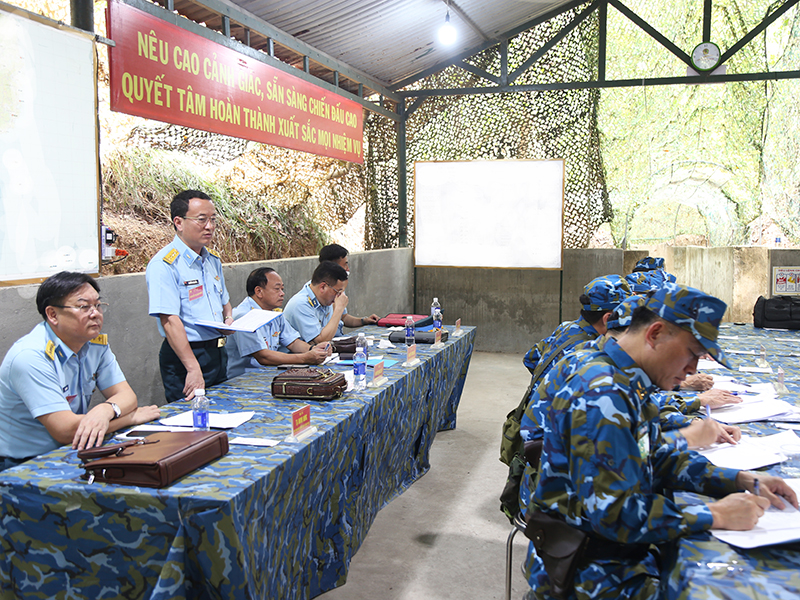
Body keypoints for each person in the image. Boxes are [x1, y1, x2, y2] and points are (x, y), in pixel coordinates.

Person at [521, 283, 798, 600]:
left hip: (613, 554)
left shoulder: (628, 380)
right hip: (589, 572)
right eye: (692, 353)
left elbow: (652, 454)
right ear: (654, 334)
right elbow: (616, 514)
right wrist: (716, 515)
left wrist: (738, 479)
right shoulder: (602, 392)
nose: (693, 370)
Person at [499, 275, 631, 519]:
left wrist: (547, 384)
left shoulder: (566, 329)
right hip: (545, 479)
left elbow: (531, 357)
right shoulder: (591, 354)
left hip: (526, 441)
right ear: (608, 318)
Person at [0, 272, 160, 471]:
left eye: (98, 305)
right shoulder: (31, 357)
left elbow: (127, 396)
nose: (95, 313)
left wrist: (105, 409)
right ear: (52, 315)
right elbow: (66, 430)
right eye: (84, 306)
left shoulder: (95, 344)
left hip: (72, 450)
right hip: (24, 464)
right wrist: (129, 418)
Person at [146, 190, 233, 403]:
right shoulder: (164, 264)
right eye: (201, 220)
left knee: (223, 415)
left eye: (213, 220)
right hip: (186, 358)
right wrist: (192, 367)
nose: (209, 226)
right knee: (192, 423)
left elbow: (224, 302)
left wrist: (228, 319)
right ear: (179, 222)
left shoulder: (212, 259)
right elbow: (169, 320)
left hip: (217, 352)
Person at [226, 267, 331, 378]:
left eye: (282, 289)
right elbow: (263, 357)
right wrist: (305, 358)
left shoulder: (273, 313)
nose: (282, 294)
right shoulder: (243, 316)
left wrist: (314, 349)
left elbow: (293, 342)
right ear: (259, 291)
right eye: (277, 289)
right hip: (244, 380)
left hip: (269, 374)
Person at [283, 261, 353, 344]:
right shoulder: (300, 304)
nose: (338, 297)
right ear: (323, 287)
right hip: (294, 355)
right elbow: (321, 341)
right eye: (337, 292)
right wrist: (339, 309)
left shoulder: (323, 298)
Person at [317, 243, 380, 327]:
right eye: (345, 265)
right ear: (333, 266)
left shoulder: (337, 286)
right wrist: (340, 291)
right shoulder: (320, 292)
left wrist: (364, 320)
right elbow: (320, 338)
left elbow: (344, 317)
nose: (348, 269)